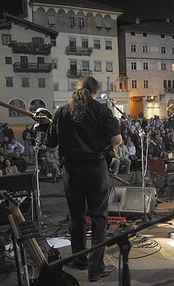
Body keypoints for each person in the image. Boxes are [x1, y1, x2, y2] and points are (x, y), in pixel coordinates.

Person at [45, 75, 121, 282]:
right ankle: (95, 268)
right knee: (98, 217)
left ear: (77, 89)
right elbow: (117, 140)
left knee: (76, 215)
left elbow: (50, 145)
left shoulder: (61, 112)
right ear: (95, 92)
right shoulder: (102, 110)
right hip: (96, 168)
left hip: (71, 169)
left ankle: (79, 259)